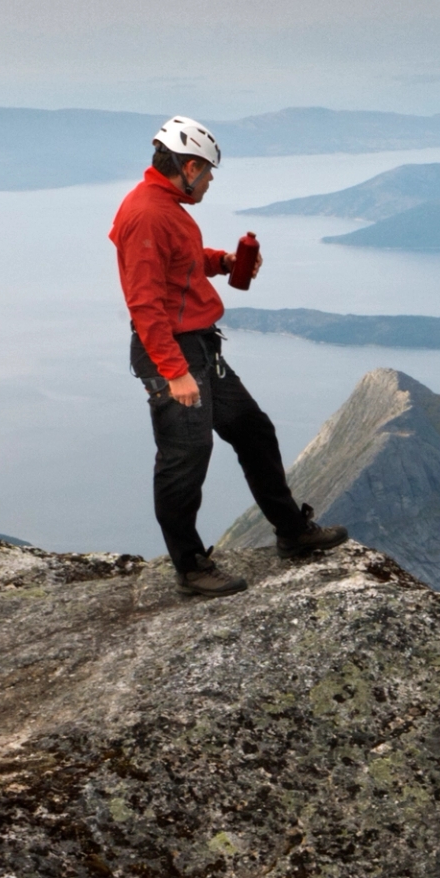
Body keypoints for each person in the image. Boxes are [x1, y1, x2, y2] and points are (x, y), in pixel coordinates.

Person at [112, 116, 345, 596]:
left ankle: (293, 532)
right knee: (185, 456)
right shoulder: (149, 214)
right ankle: (191, 567)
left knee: (253, 431)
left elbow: (178, 264)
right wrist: (174, 372)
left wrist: (220, 262)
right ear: (191, 166)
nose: (212, 180)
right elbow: (144, 301)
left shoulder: (166, 207)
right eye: (210, 171)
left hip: (199, 348)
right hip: (174, 354)